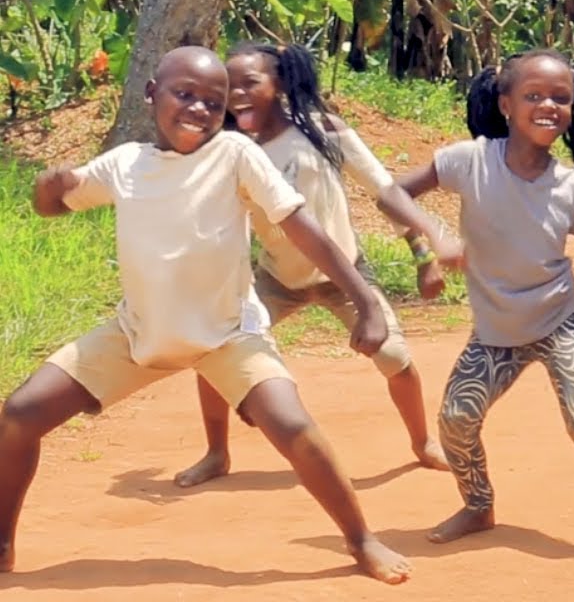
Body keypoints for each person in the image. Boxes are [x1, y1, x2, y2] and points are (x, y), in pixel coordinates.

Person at [0, 46, 411, 584]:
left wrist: (363, 301)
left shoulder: (235, 154)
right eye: (184, 94)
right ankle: (4, 540)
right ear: (151, 93)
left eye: (213, 103)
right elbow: (55, 202)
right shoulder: (126, 164)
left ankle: (362, 540)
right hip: (138, 333)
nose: (198, 108)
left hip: (227, 336)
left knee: (293, 426)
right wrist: (47, 189)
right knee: (20, 414)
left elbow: (300, 225)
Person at [377, 48, 574, 550]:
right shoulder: (470, 161)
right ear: (505, 104)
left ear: (572, 110)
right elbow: (392, 194)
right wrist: (429, 244)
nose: (549, 106)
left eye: (561, 99)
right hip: (497, 332)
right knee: (456, 419)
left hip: (558, 322)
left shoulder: (571, 188)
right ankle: (478, 506)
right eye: (533, 95)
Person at [173, 42, 459, 489]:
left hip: (342, 275)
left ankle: (422, 442)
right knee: (214, 353)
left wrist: (424, 256)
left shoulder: (324, 132)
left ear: (281, 83)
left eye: (251, 83)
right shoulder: (230, 151)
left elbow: (386, 193)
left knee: (395, 359)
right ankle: (216, 452)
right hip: (275, 278)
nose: (239, 95)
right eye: (232, 87)